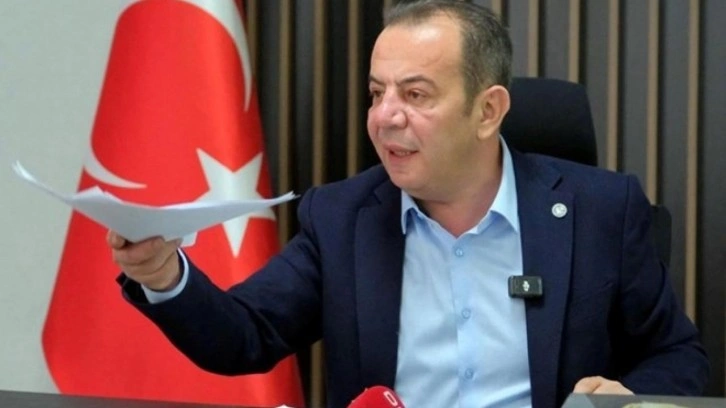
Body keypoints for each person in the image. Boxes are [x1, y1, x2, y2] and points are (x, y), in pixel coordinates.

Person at [108, 1, 709, 407]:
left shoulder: (600, 210)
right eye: (377, 93)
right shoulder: (342, 218)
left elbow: (677, 356)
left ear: (488, 110)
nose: (385, 117)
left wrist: (631, 398)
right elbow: (244, 335)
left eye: (415, 94)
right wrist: (163, 275)